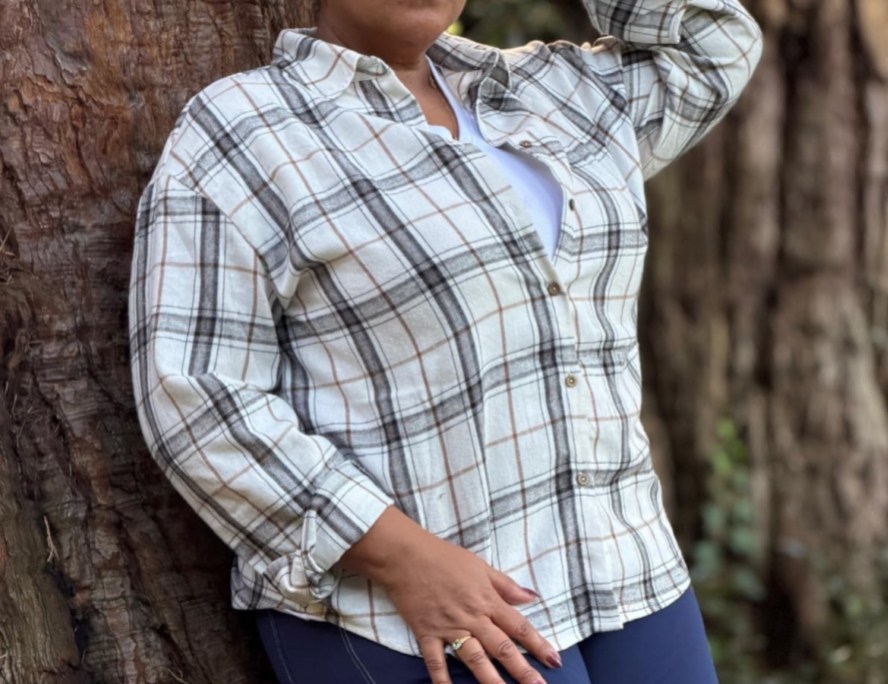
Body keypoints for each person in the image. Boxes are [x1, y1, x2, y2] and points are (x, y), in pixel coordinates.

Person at [129, 0, 762, 682]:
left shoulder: (554, 91)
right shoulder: (245, 130)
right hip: (411, 611)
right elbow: (195, 394)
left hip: (628, 572)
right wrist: (400, 555)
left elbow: (713, 43)